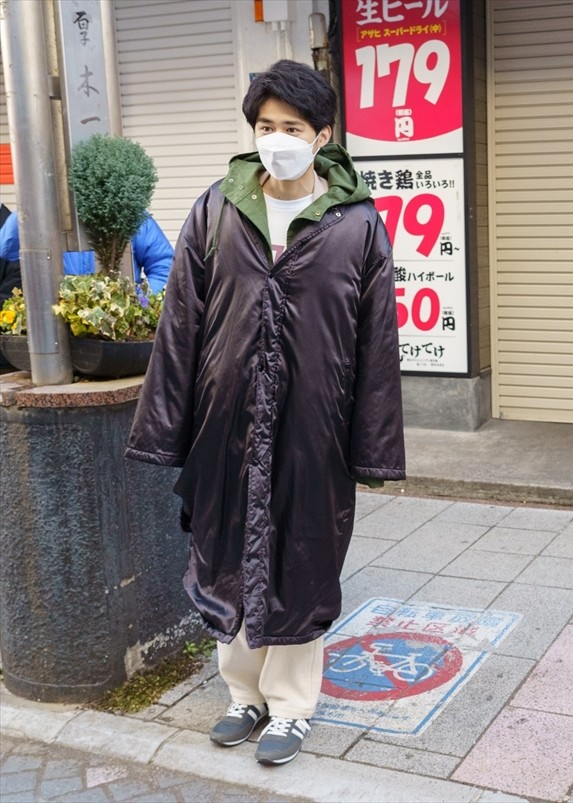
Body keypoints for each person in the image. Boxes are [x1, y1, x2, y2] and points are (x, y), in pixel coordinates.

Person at [125, 60, 405, 766]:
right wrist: (167, 425)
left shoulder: (357, 225)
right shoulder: (217, 207)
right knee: (225, 547)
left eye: (292, 128)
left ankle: (290, 705)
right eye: (265, 126)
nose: (276, 139)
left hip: (314, 428)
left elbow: (376, 345)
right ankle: (242, 693)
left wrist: (371, 446)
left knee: (301, 553)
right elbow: (181, 321)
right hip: (226, 420)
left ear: (324, 136)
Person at [0, 209, 174, 294]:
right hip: (57, 326)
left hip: (119, 330)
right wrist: (28, 210)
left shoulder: (131, 215)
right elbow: (5, 251)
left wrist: (141, 301)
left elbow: (165, 266)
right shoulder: (40, 215)